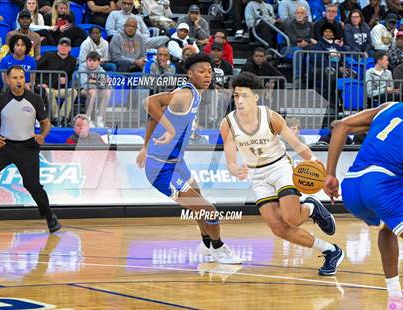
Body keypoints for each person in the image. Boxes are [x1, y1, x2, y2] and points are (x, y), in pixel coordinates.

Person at [220, 72, 344, 275]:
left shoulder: (270, 117)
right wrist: (232, 165)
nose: (239, 100)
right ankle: (331, 251)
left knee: (292, 219)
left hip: (280, 167)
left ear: (256, 97)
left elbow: (295, 143)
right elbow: (230, 148)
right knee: (278, 228)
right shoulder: (228, 123)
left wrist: (312, 160)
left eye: (245, 96)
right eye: (236, 96)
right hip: (257, 175)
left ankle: (311, 208)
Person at [136, 53, 242, 264]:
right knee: (207, 209)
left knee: (199, 199)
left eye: (210, 72)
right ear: (190, 74)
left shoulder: (195, 94)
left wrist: (145, 146)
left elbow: (153, 116)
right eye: (201, 71)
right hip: (161, 169)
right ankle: (220, 248)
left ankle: (206, 244)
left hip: (177, 162)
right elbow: (149, 103)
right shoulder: (187, 94)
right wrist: (168, 130)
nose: (207, 75)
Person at [323, 102, 403, 309]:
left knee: (387, 228)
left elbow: (341, 125)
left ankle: (395, 296)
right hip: (381, 183)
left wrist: (330, 174)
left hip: (352, 188)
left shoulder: (389, 107)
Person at [0, 65, 61, 233]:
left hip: (28, 148)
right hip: (3, 146)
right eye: (15, 78)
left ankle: (50, 218)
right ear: (7, 80)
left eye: (21, 77)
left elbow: (46, 123)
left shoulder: (35, 99)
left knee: (33, 186)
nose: (19, 81)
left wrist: (42, 136)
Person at [78, 51, 111, 128]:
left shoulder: (100, 69)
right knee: (93, 91)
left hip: (96, 89)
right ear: (87, 61)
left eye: (94, 61)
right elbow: (85, 82)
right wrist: (99, 80)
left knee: (108, 92)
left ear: (99, 62)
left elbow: (107, 82)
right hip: (81, 89)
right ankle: (87, 119)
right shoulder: (82, 67)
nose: (91, 63)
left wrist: (93, 80)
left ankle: (99, 119)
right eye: (89, 61)